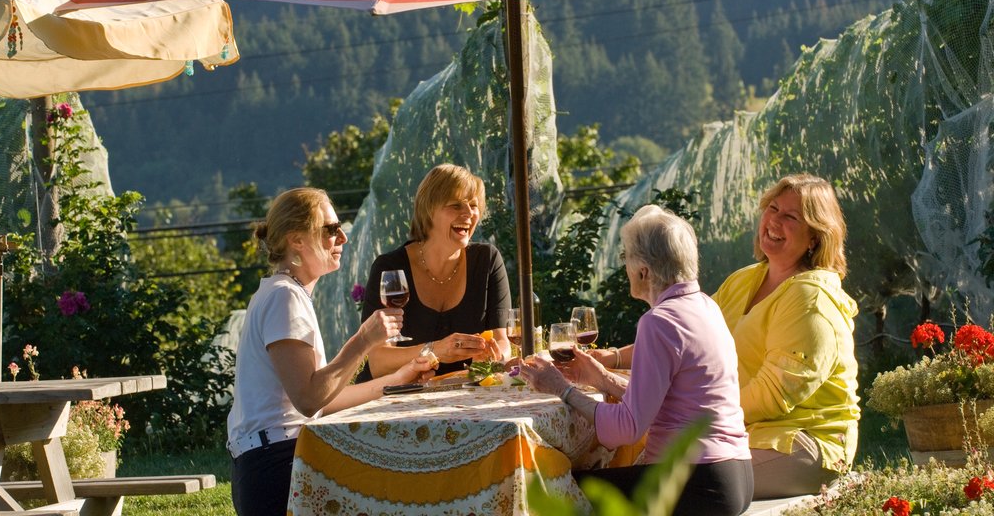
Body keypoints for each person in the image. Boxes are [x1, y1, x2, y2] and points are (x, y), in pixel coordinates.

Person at [519, 205, 753, 516]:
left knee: (555, 488)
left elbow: (627, 428)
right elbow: (668, 400)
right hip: (735, 476)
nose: (625, 268)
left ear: (643, 271)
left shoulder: (659, 322)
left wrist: (561, 388)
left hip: (695, 481)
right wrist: (601, 377)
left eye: (626, 259)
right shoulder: (705, 306)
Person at [226, 187, 436, 516]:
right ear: (296, 240)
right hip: (276, 466)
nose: (342, 238)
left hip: (268, 460)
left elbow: (322, 401)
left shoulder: (283, 293)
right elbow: (309, 399)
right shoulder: (285, 298)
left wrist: (397, 379)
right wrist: (363, 340)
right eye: (330, 229)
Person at [712, 173, 859, 498]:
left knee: (679, 482)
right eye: (773, 208)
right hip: (741, 431)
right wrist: (615, 359)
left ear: (814, 239)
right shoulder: (744, 279)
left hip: (804, 443)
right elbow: (684, 335)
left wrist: (697, 416)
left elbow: (773, 394)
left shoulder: (812, 297)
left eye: (790, 217)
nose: (774, 221)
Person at [357, 164, 511, 380]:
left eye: (474, 205)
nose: (469, 213)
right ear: (429, 210)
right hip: (396, 399)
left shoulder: (487, 260)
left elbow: (502, 342)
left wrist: (494, 357)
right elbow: (378, 362)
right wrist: (436, 350)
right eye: (456, 205)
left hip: (461, 395)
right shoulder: (390, 268)